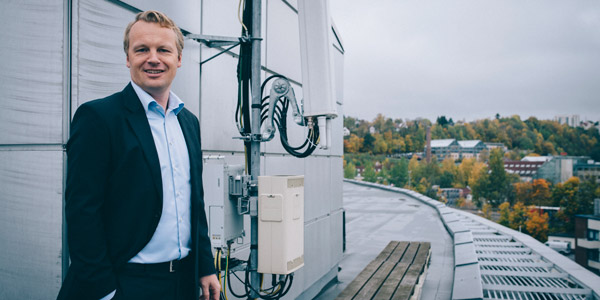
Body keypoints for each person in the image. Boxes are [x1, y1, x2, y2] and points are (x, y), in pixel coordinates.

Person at [57, 10, 220, 300]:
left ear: (179, 59)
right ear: (128, 58)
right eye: (142, 49)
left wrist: (205, 267)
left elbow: (194, 202)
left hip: (182, 283)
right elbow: (82, 212)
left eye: (163, 50)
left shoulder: (188, 122)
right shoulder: (99, 118)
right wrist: (104, 290)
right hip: (126, 283)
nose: (153, 58)